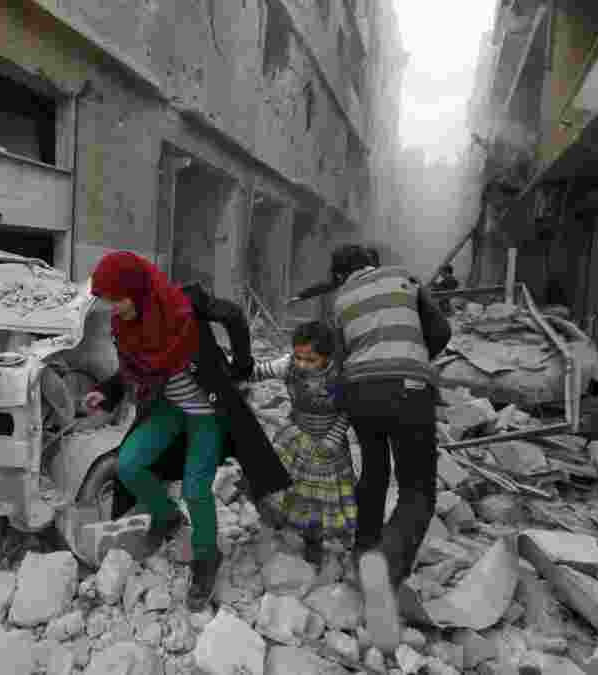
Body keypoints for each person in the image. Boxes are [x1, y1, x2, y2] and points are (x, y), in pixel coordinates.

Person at [83, 253, 291, 612]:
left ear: (137, 289)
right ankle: (166, 516)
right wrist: (107, 391)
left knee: (197, 490)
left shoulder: (184, 305)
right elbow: (129, 371)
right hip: (167, 409)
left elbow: (234, 316)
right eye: (108, 302)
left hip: (207, 411)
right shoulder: (126, 326)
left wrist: (241, 366)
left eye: (117, 299)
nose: (113, 309)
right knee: (129, 465)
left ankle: (207, 558)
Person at [329, 244, 440, 655]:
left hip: (360, 390)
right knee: (418, 489)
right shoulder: (406, 279)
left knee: (374, 470)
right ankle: (383, 574)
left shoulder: (340, 299)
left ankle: (364, 547)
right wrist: (413, 359)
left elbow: (340, 358)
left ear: (342, 276)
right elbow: (440, 332)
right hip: (409, 388)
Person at [248, 321, 355, 567]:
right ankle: (276, 515)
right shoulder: (288, 365)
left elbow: (347, 412)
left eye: (311, 360)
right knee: (280, 481)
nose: (302, 364)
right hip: (295, 435)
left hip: (328, 446)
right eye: (298, 357)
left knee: (317, 498)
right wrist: (231, 370)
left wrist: (333, 438)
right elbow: (256, 371)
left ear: (327, 357)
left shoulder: (341, 374)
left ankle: (313, 541)